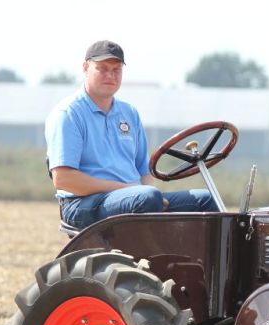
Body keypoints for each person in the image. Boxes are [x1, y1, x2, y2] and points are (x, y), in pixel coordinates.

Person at [45, 40, 216, 229]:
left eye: (116, 70)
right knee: (147, 197)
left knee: (206, 200)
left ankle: (196, 259)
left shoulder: (129, 114)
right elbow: (63, 179)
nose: (110, 75)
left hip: (134, 197)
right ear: (86, 68)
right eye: (102, 69)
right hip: (83, 203)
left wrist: (144, 192)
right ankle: (160, 256)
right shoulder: (69, 114)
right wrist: (130, 190)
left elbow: (144, 170)